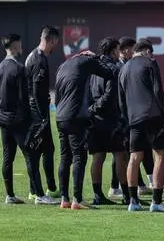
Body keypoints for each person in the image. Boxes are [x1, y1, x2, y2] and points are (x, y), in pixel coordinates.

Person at [0, 34, 53, 205]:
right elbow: (24, 99)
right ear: (16, 45)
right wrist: (31, 121)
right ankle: (39, 195)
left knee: (7, 157)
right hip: (18, 120)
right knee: (31, 156)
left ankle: (10, 195)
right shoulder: (19, 69)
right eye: (19, 44)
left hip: (3, 119)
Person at [119, 39, 164, 213]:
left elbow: (121, 100)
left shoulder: (124, 68)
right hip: (153, 117)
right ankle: (156, 201)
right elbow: (158, 91)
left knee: (135, 158)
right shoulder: (150, 63)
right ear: (147, 52)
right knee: (161, 156)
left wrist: (127, 121)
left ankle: (133, 201)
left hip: (133, 119)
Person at [55, 49, 114, 210]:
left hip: (60, 116)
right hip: (76, 117)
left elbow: (58, 95)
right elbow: (109, 72)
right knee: (79, 157)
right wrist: (97, 58)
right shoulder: (87, 61)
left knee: (65, 158)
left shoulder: (64, 65)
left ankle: (64, 199)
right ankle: (77, 199)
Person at [88, 37, 129, 206]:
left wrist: (90, 109)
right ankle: (127, 195)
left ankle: (98, 194)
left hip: (94, 119)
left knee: (98, 156)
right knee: (121, 155)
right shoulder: (114, 68)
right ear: (113, 51)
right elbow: (110, 96)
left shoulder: (92, 66)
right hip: (110, 118)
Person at [25, 25, 60, 200]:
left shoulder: (33, 55)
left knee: (46, 149)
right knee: (39, 151)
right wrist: (42, 118)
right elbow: (37, 92)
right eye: (56, 43)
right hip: (37, 114)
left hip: (35, 111)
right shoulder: (39, 61)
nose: (56, 47)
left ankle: (42, 188)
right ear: (51, 40)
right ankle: (43, 190)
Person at [108, 36, 136, 199]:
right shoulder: (119, 66)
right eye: (132, 48)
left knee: (123, 152)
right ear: (125, 50)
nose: (133, 51)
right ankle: (115, 186)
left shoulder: (123, 64)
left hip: (124, 114)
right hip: (120, 115)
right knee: (119, 153)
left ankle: (122, 185)